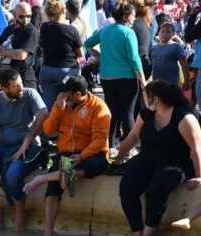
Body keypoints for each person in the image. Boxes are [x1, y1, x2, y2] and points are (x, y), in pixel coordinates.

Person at [22, 75, 111, 236]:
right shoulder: (62, 105)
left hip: (91, 152)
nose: (62, 95)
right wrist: (57, 108)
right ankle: (48, 232)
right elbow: (48, 131)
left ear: (77, 94)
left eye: (66, 93)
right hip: (66, 152)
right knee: (54, 189)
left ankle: (44, 178)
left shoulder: (99, 108)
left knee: (92, 164)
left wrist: (82, 155)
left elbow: (100, 140)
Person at [116, 80, 201, 236]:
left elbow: (196, 147)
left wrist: (199, 176)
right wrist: (118, 158)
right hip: (147, 158)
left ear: (155, 99)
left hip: (176, 163)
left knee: (156, 189)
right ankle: (137, 234)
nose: (144, 99)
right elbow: (133, 136)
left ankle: (148, 235)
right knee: (127, 187)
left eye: (146, 96)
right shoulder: (146, 114)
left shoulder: (184, 117)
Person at [0, 69, 49, 232]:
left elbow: (44, 113)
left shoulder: (30, 94)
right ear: (4, 89)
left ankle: (20, 211)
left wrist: (26, 141)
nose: (21, 88)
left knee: (13, 174)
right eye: (16, 86)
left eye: (21, 84)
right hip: (2, 147)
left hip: (28, 147)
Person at [84, 3, 146, 149]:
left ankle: (110, 145)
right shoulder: (128, 32)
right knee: (128, 114)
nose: (134, 18)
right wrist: (142, 79)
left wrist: (98, 56)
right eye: (133, 15)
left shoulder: (105, 30)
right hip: (126, 79)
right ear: (125, 16)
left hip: (107, 78)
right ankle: (129, 149)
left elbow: (87, 43)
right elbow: (134, 59)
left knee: (113, 113)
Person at [38, 0, 83, 110]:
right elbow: (80, 53)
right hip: (66, 72)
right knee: (67, 104)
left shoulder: (44, 27)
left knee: (48, 105)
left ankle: (48, 126)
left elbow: (42, 45)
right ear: (64, 11)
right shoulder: (71, 30)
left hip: (47, 70)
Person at [0, 3, 40, 91]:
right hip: (7, 77)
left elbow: (21, 55)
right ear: (14, 14)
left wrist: (3, 51)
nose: (25, 20)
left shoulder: (31, 31)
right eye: (21, 16)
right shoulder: (9, 29)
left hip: (23, 78)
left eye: (28, 16)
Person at [149, 23, 189, 88]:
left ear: (173, 34)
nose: (165, 34)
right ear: (158, 33)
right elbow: (150, 66)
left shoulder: (176, 47)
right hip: (156, 84)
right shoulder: (153, 48)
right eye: (163, 31)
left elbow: (184, 64)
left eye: (168, 32)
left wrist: (186, 81)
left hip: (172, 84)